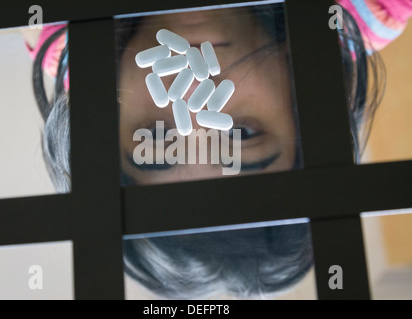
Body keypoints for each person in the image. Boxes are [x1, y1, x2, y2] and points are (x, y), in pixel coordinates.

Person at [24, 1, 411, 299]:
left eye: (157, 139)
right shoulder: (363, 12)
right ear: (300, 112)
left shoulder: (64, 35)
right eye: (241, 133)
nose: (193, 95)